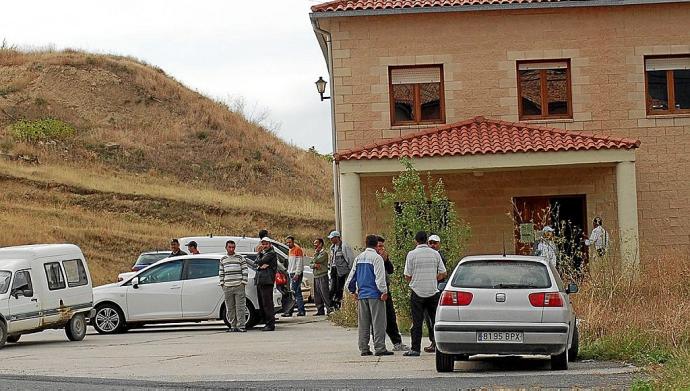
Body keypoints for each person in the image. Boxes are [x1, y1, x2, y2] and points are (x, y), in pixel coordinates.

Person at [345, 234, 393, 357]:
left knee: (363, 323)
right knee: (378, 323)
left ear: (366, 243)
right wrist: (384, 292)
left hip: (362, 295)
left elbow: (351, 278)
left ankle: (363, 348)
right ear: (376, 244)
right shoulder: (377, 258)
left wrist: (353, 291)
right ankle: (380, 347)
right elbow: (380, 278)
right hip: (375, 295)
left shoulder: (359, 257)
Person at [403, 231, 447, 357]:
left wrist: (415, 281)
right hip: (433, 291)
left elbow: (407, 275)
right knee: (435, 320)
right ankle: (438, 345)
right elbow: (443, 273)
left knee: (417, 322)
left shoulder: (411, 254)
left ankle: (415, 349)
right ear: (426, 240)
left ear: (416, 241)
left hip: (417, 292)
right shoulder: (435, 254)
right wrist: (433, 279)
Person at [376, 236, 408, 351]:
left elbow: (390, 270)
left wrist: (386, 260)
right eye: (379, 246)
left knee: (390, 316)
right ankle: (378, 345)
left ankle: (397, 342)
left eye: (382, 246)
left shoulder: (384, 257)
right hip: (374, 291)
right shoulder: (372, 258)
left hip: (386, 289)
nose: (382, 248)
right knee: (377, 319)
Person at [219, 240, 248, 332]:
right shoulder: (223, 259)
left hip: (239, 285)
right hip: (227, 286)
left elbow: (245, 270)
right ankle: (233, 326)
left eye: (233, 247)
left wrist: (243, 282)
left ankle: (241, 325)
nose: (231, 249)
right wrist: (222, 283)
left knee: (240, 307)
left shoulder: (240, 258)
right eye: (229, 247)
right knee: (230, 307)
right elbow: (221, 272)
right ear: (226, 247)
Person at [423, 234, 445, 353]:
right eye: (430, 243)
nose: (432, 245)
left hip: (436, 290)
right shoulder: (428, 255)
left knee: (434, 317)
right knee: (428, 318)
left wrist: (431, 279)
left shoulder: (439, 256)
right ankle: (433, 341)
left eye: (435, 243)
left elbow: (443, 273)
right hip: (427, 289)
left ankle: (436, 342)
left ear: (439, 244)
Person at [328, 230, 355, 309]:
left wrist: (349, 269)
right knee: (332, 287)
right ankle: (332, 303)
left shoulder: (344, 246)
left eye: (332, 238)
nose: (331, 240)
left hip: (341, 270)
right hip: (333, 269)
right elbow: (331, 258)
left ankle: (337, 302)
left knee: (340, 287)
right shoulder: (332, 247)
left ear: (337, 238)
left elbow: (350, 258)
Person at [256, 237, 278, 331]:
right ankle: (266, 322)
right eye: (263, 244)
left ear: (270, 244)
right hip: (261, 280)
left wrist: (259, 256)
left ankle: (270, 324)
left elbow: (259, 261)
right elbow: (256, 263)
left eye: (266, 244)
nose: (264, 246)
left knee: (267, 304)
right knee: (263, 303)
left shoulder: (271, 254)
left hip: (267, 280)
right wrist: (260, 266)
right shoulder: (264, 253)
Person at [283, 236, 306, 317]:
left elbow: (299, 263)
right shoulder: (290, 250)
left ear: (293, 242)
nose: (288, 244)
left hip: (295, 274)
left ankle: (291, 310)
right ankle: (300, 310)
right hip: (291, 273)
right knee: (297, 292)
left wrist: (297, 274)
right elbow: (291, 263)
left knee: (294, 292)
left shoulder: (297, 249)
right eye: (287, 242)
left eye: (290, 242)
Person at [310, 237, 332, 315]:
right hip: (316, 275)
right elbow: (310, 264)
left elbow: (316, 260)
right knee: (317, 294)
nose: (315, 245)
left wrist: (315, 258)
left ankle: (329, 309)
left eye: (316, 243)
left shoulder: (324, 254)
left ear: (321, 244)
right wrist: (314, 265)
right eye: (314, 243)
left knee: (324, 293)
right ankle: (320, 310)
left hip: (322, 275)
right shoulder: (315, 253)